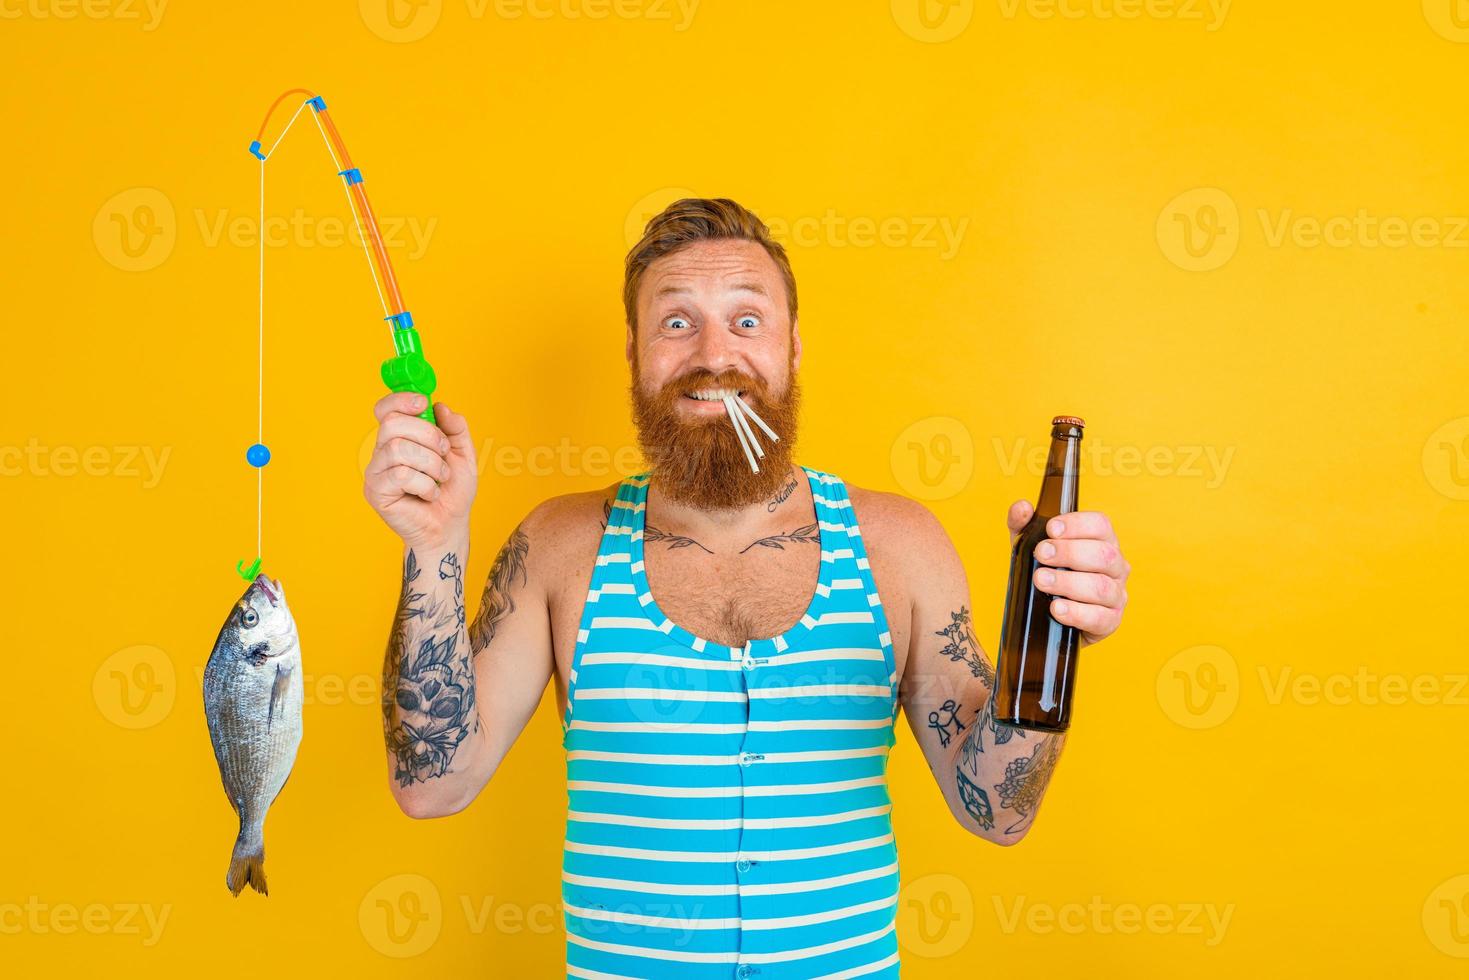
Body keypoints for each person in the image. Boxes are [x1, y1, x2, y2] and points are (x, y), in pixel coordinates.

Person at [364, 198, 1131, 978]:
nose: (713, 356)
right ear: (633, 352)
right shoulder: (560, 545)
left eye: (746, 321)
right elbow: (433, 786)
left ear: (792, 349)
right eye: (675, 323)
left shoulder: (897, 546)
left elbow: (996, 811)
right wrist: (433, 544)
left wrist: (1053, 632)